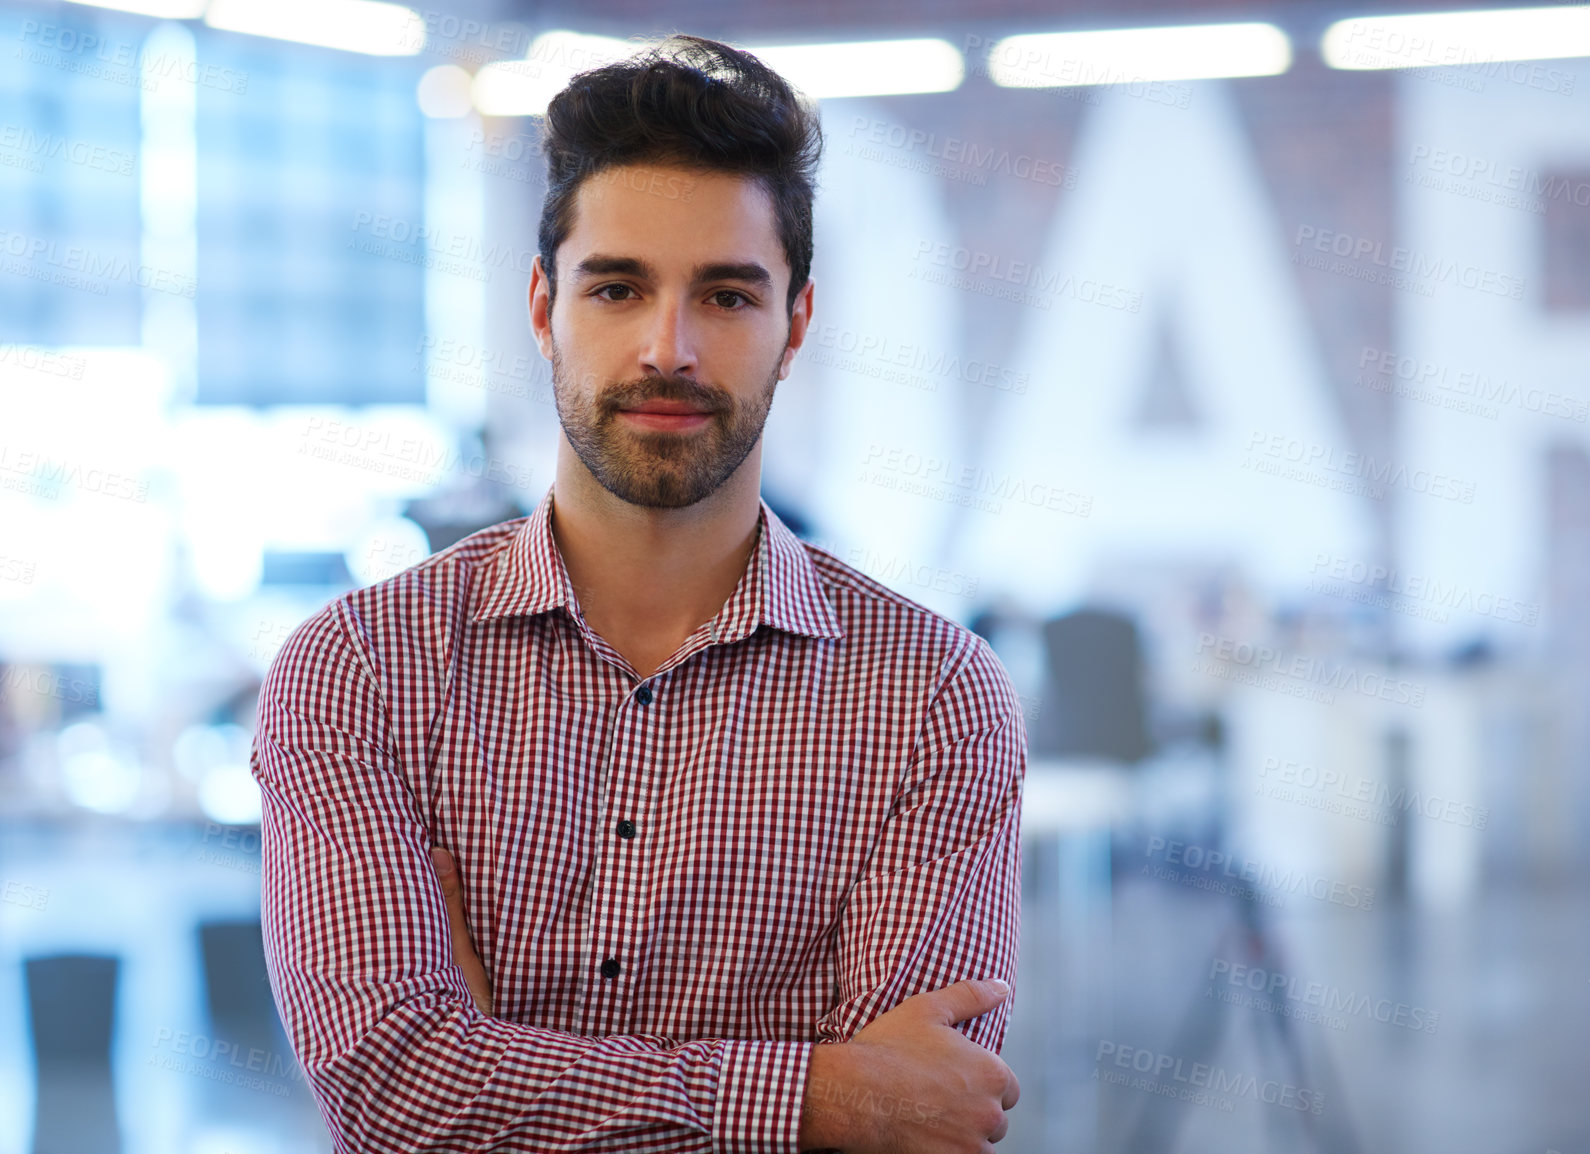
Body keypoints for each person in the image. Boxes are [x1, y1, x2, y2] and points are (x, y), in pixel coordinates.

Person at [251, 31, 1025, 1154]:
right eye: (618, 287)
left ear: (793, 323)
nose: (669, 349)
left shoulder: (934, 695)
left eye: (724, 294)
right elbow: (396, 1089)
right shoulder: (362, 669)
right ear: (542, 304)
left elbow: (923, 1114)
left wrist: (498, 1064)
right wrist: (818, 1095)